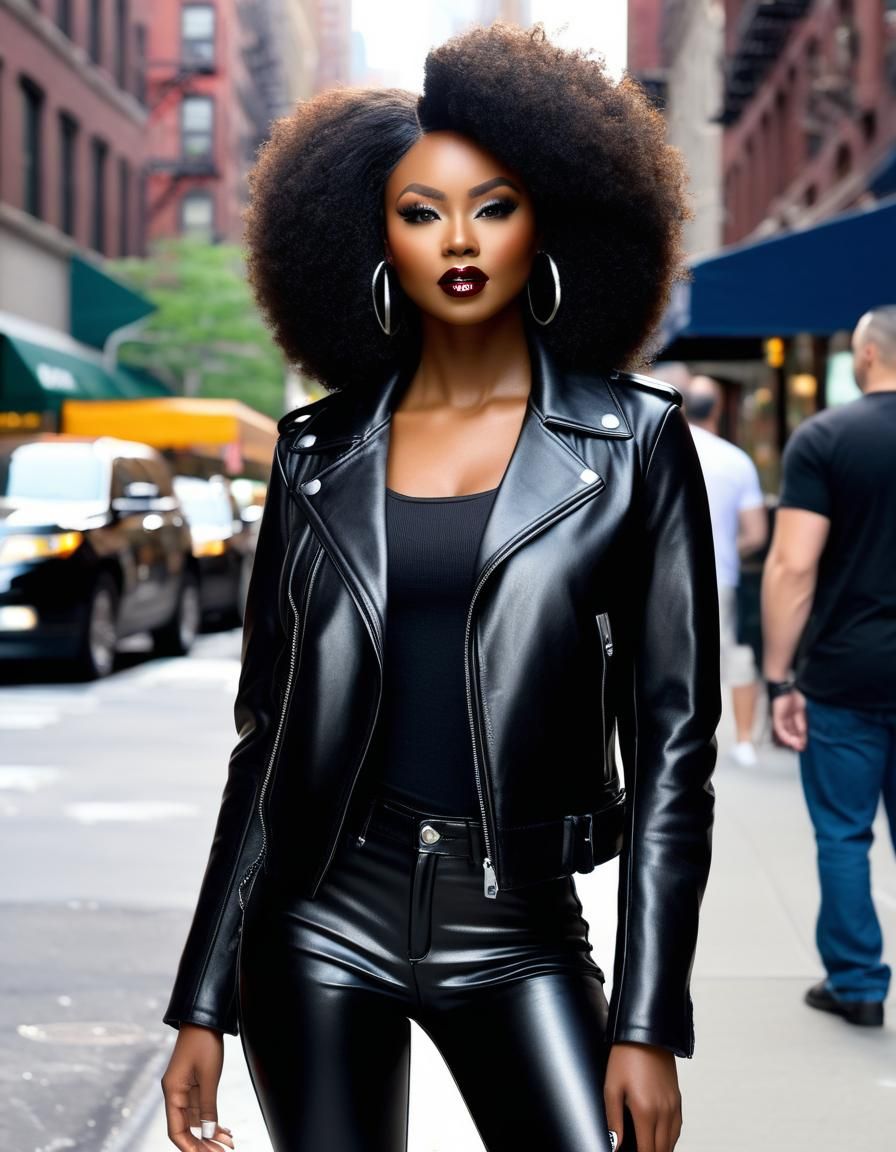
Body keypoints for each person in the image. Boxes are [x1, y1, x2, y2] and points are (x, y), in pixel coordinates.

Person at [159, 23, 721, 1152]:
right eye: (420, 212)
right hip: (317, 919)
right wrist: (202, 999)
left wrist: (648, 1017)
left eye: (492, 205)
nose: (456, 239)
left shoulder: (632, 445)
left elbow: (672, 748)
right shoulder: (315, 452)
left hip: (518, 926)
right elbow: (264, 741)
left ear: (543, 224)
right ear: (376, 241)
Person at [761, 305, 896, 1029]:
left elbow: (791, 567)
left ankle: (858, 985)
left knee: (844, 833)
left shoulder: (827, 437)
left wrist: (781, 676)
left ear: (867, 356)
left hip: (847, 671)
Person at [682, 374, 767, 767]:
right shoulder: (736, 460)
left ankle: (683, 740)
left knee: (673, 662)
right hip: (721, 577)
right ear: (717, 409)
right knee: (731, 655)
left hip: (666, 578)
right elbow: (756, 534)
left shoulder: (665, 450)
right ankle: (745, 740)